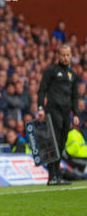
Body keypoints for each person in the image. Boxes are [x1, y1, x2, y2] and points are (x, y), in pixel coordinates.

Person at [37, 44, 79, 185]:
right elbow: (42, 90)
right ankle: (52, 176)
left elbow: (75, 96)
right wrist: (40, 108)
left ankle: (57, 175)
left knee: (61, 145)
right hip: (53, 111)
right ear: (58, 56)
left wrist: (76, 113)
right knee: (53, 144)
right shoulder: (51, 71)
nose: (65, 57)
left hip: (66, 114)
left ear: (71, 56)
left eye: (68, 55)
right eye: (63, 55)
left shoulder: (72, 75)